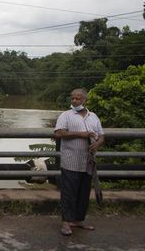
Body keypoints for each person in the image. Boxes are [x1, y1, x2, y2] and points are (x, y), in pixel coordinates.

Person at [54, 88, 104, 236]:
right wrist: (81, 134)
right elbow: (58, 133)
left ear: (85, 100)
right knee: (69, 192)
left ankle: (78, 220)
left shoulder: (93, 116)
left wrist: (98, 143)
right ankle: (65, 222)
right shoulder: (66, 115)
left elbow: (101, 135)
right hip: (71, 161)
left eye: (78, 98)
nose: (74, 101)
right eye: (72, 98)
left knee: (83, 193)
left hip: (87, 162)